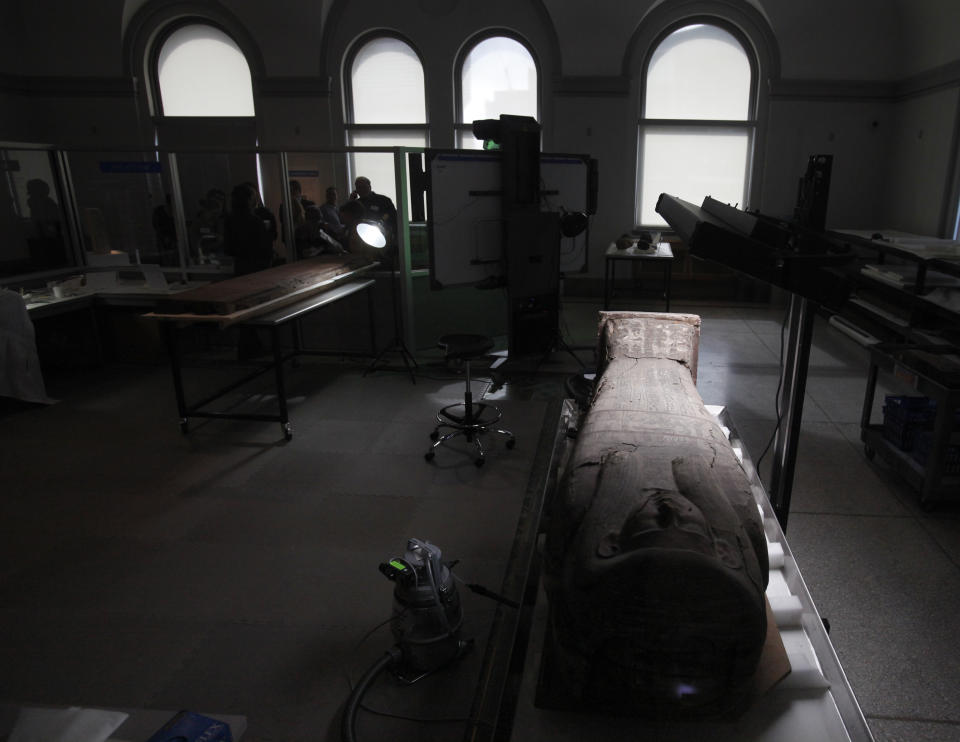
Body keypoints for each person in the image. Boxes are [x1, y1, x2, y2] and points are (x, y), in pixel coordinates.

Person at [223, 183, 273, 276]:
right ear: (250, 200)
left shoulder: (230, 220)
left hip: (241, 265)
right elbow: (266, 246)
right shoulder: (255, 220)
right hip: (258, 266)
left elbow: (228, 247)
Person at [349, 176, 396, 244]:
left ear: (370, 186)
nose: (362, 190)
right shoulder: (355, 203)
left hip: (381, 233)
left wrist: (381, 221)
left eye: (364, 187)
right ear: (356, 190)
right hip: (360, 237)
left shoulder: (383, 200)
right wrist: (351, 201)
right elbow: (347, 218)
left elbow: (391, 215)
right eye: (359, 187)